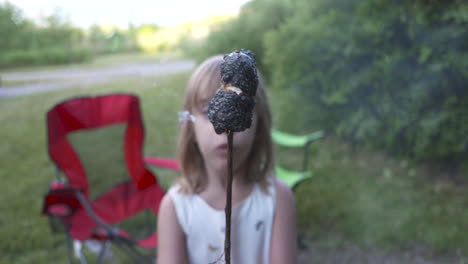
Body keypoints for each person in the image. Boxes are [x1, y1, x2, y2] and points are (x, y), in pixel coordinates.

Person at [157, 55, 297, 264]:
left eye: (241, 109)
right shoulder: (175, 207)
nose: (225, 127)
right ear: (191, 128)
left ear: (259, 126)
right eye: (208, 111)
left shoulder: (278, 199)